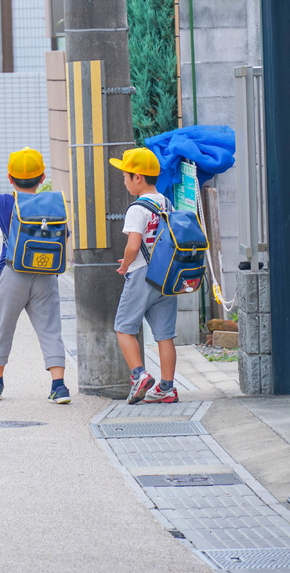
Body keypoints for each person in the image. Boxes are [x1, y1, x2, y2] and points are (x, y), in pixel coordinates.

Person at [0, 148, 71, 404]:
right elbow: (64, 235)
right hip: (46, 275)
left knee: (4, 327)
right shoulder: (53, 205)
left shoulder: (5, 203)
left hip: (13, 273)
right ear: (42, 176)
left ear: (10, 178)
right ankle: (59, 387)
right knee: (50, 329)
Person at [110, 147, 179, 404]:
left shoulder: (136, 209)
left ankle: (139, 375)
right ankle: (167, 387)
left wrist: (125, 265)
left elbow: (133, 245)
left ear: (137, 177)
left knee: (123, 328)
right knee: (164, 335)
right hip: (166, 276)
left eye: (125, 176)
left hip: (141, 274)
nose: (124, 181)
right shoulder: (166, 203)